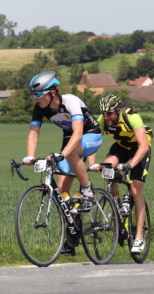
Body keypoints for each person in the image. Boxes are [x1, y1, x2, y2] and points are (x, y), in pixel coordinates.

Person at [23, 71, 102, 256]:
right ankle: (71, 237)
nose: (35, 99)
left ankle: (87, 191)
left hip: (90, 135)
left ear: (52, 92)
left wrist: (62, 154)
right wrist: (29, 156)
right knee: (62, 192)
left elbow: (78, 134)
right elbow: (33, 134)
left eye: (38, 94)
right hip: (70, 141)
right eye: (33, 95)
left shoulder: (70, 101)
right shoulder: (40, 108)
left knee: (71, 153)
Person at [89, 93, 153, 254]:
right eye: (104, 113)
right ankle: (118, 207)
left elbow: (143, 145)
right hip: (121, 147)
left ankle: (139, 238)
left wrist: (129, 165)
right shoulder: (103, 119)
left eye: (109, 113)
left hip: (139, 149)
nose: (106, 117)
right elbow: (92, 141)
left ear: (117, 110)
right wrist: (92, 164)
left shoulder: (131, 116)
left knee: (136, 189)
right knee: (107, 170)